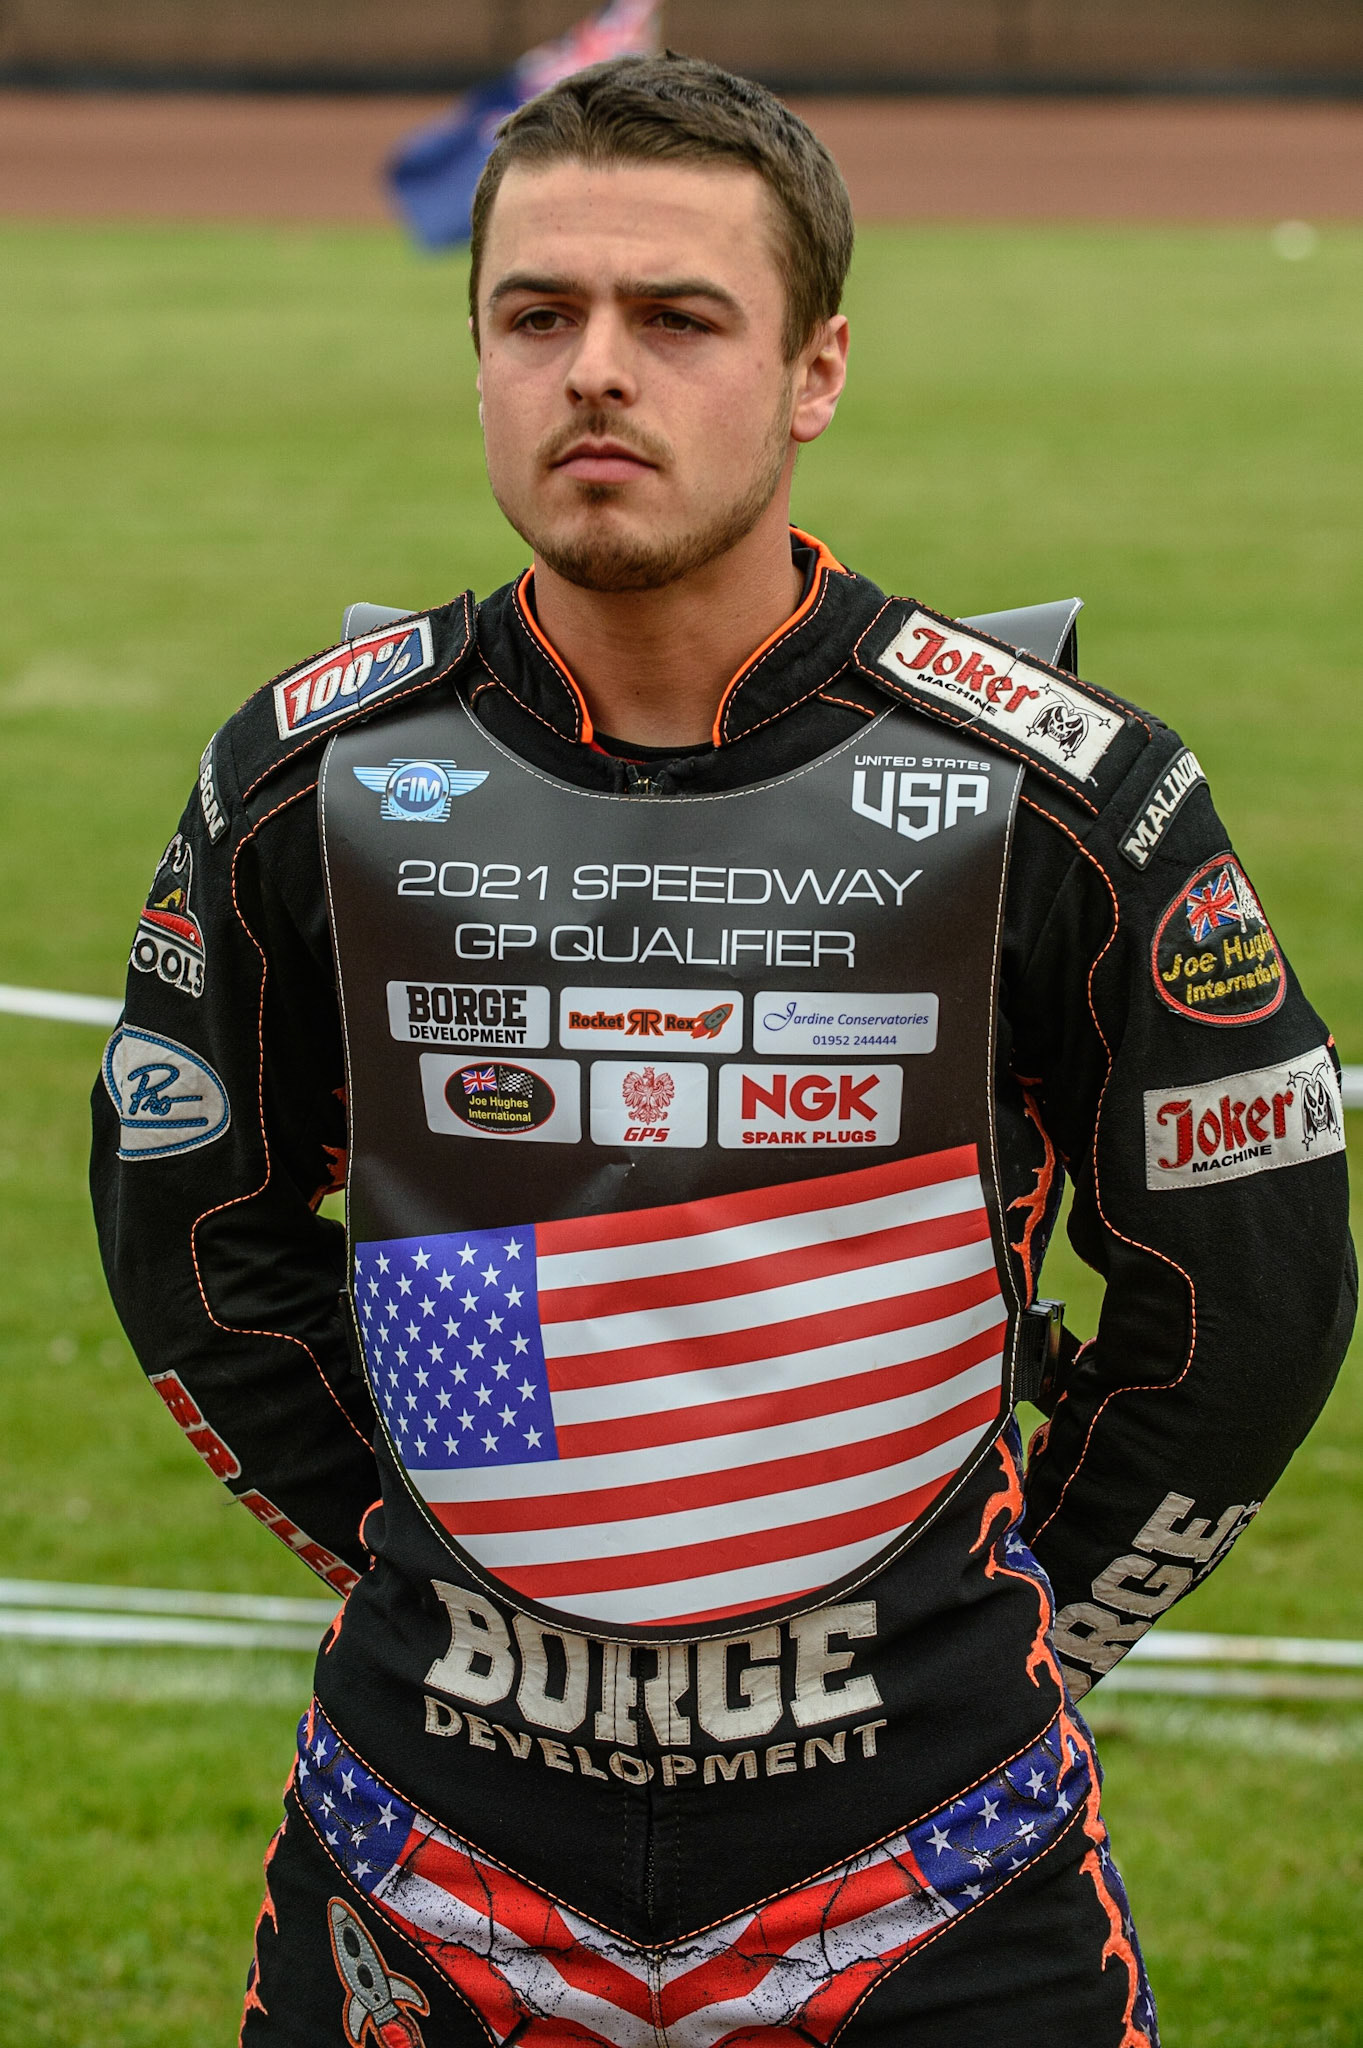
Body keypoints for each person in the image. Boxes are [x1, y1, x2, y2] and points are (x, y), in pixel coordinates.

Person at [91, 54, 1354, 2048]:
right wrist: (441, 1561)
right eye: (537, 315)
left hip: (937, 1859)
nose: (598, 369)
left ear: (813, 368)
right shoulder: (304, 776)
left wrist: (1019, 1622)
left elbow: (1252, 1301)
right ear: (479, 353)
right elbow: (192, 1238)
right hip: (427, 1857)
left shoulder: (1057, 793)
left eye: (678, 318)